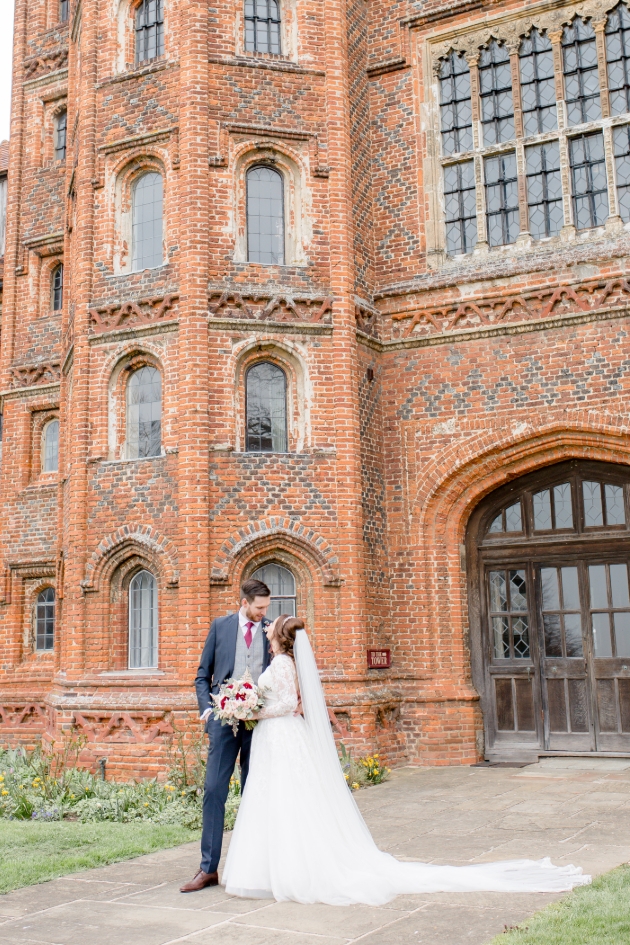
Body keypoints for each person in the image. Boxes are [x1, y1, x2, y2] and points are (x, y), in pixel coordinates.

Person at [222, 615, 591, 905]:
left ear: (280, 637)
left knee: (287, 798)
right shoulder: (285, 662)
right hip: (279, 738)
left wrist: (251, 710)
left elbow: (286, 705)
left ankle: (290, 871)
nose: (266, 628)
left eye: (271, 626)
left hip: (282, 734)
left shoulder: (283, 665)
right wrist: (249, 705)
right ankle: (274, 869)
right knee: (278, 799)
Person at [180, 578, 272, 893]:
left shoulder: (270, 630)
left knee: (254, 792)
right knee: (213, 791)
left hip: (259, 723)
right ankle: (208, 869)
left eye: (266, 608)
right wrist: (207, 711)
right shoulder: (221, 626)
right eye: (259, 608)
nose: (263, 614)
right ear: (244, 602)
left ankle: (253, 866)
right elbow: (202, 675)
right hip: (223, 721)